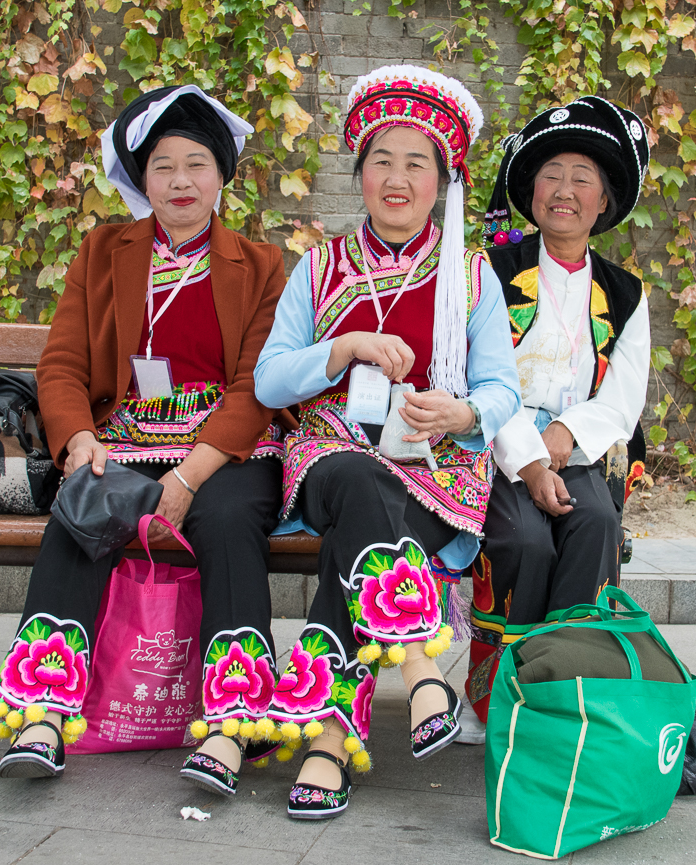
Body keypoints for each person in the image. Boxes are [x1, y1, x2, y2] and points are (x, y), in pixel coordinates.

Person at [0, 86, 288, 792]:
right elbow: (62, 363)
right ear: (141, 179)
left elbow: (258, 385)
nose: (181, 182)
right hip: (125, 436)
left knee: (230, 517)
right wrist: (78, 439)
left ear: (222, 175)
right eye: (163, 167)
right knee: (84, 508)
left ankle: (233, 722)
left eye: (197, 164)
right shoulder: (103, 250)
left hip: (223, 447)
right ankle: (42, 710)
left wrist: (188, 477)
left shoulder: (261, 264)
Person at [251, 64, 519, 820]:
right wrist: (343, 350)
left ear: (443, 180)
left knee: (356, 538)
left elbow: (501, 390)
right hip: (333, 456)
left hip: (431, 470)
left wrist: (460, 416)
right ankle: (419, 659)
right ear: (360, 170)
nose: (397, 179)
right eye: (382, 161)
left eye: (417, 164)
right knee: (360, 486)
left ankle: (328, 744)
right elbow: (272, 383)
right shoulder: (319, 267)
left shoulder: (471, 276)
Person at [463, 96, 652, 725]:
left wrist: (566, 437)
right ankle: (494, 698)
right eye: (551, 175)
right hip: (496, 443)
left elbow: (623, 396)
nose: (564, 191)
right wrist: (530, 457)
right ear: (531, 191)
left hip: (577, 446)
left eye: (582, 180)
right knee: (523, 539)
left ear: (604, 203)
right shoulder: (490, 272)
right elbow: (477, 375)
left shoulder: (625, 294)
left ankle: (568, 693)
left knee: (595, 522)